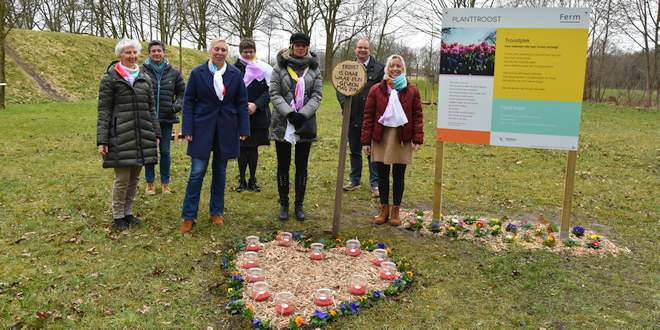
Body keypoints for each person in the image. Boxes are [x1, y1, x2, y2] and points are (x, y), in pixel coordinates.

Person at [179, 38, 249, 233]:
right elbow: (189, 102)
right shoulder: (197, 73)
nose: (219, 53)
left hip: (226, 129)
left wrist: (244, 129)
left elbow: (241, 102)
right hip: (201, 128)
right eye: (216, 49)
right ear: (210, 51)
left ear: (227, 53)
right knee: (197, 172)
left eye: (223, 50)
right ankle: (188, 215)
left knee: (220, 172)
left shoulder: (235, 74)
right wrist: (188, 129)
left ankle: (216, 211)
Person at [96, 38, 161, 231]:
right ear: (120, 55)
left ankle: (128, 212)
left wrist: (155, 132)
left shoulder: (144, 77)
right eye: (127, 53)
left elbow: (151, 109)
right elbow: (104, 110)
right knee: (122, 178)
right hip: (120, 135)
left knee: (134, 178)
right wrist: (102, 139)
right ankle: (118, 215)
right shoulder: (110, 78)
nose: (132, 56)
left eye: (134, 53)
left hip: (142, 134)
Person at [361, 54, 423, 226]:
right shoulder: (376, 89)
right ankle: (383, 209)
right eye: (392, 66)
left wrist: (417, 139)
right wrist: (366, 142)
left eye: (398, 66)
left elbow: (417, 115)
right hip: (381, 136)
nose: (395, 69)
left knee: (398, 175)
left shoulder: (412, 90)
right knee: (381, 175)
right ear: (387, 68)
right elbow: (368, 116)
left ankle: (395, 209)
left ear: (403, 69)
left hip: (402, 137)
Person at [269, 32, 323, 221]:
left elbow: (317, 95)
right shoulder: (279, 68)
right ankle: (284, 203)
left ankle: (299, 204)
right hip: (283, 122)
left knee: (302, 166)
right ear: (291, 46)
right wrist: (289, 113)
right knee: (283, 165)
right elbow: (274, 93)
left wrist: (303, 114)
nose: (301, 48)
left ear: (308, 47)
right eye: (297, 45)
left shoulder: (315, 69)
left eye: (304, 45)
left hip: (305, 122)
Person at [336, 38, 384, 198]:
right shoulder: (348, 68)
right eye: (360, 48)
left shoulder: (379, 69)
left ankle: (376, 184)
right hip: (351, 117)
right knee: (355, 150)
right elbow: (339, 89)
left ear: (370, 50)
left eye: (366, 48)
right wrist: (345, 106)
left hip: (371, 119)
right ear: (355, 50)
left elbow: (383, 92)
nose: (362, 50)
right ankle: (354, 180)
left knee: (373, 151)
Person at [141, 40, 186, 195]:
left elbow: (182, 92)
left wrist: (176, 106)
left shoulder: (173, 73)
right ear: (149, 53)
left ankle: (165, 183)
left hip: (166, 119)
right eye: (153, 51)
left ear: (164, 52)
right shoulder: (141, 71)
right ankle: (150, 183)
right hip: (147, 119)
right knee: (149, 151)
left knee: (165, 151)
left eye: (159, 51)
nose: (156, 53)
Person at [234, 38, 273, 192]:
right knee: (242, 149)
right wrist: (242, 106)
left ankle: (253, 179)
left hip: (259, 113)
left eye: (251, 51)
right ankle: (242, 179)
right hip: (240, 115)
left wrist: (257, 104)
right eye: (245, 52)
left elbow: (270, 90)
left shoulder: (263, 68)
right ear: (240, 52)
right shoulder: (234, 69)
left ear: (255, 52)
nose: (248, 54)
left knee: (254, 148)